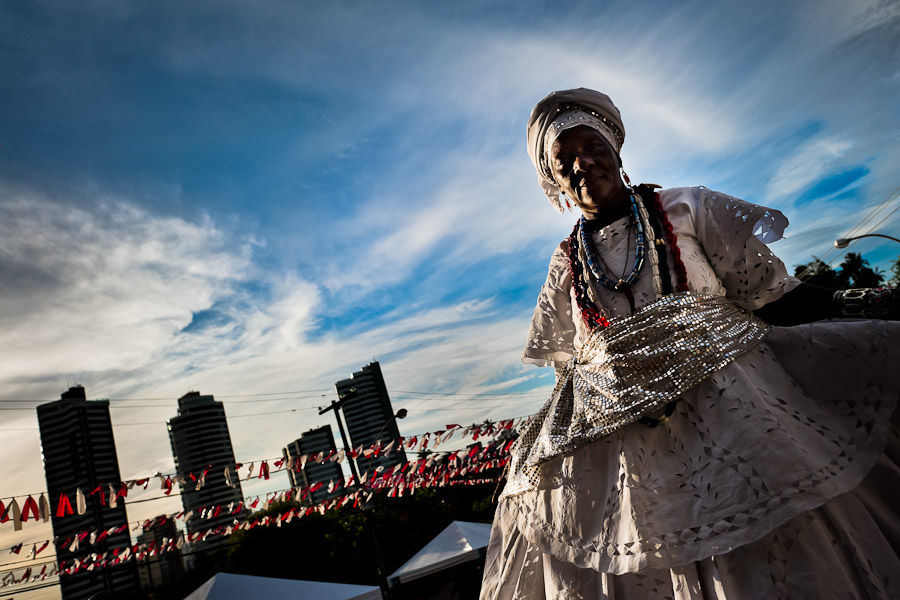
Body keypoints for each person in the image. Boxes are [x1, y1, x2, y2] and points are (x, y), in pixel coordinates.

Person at [480, 88, 900, 599]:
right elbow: (572, 373)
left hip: (745, 424)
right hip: (639, 460)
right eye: (563, 160)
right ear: (555, 183)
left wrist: (865, 303)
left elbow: (774, 297)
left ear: (615, 149)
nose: (581, 163)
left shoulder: (686, 209)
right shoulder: (565, 265)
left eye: (590, 146)